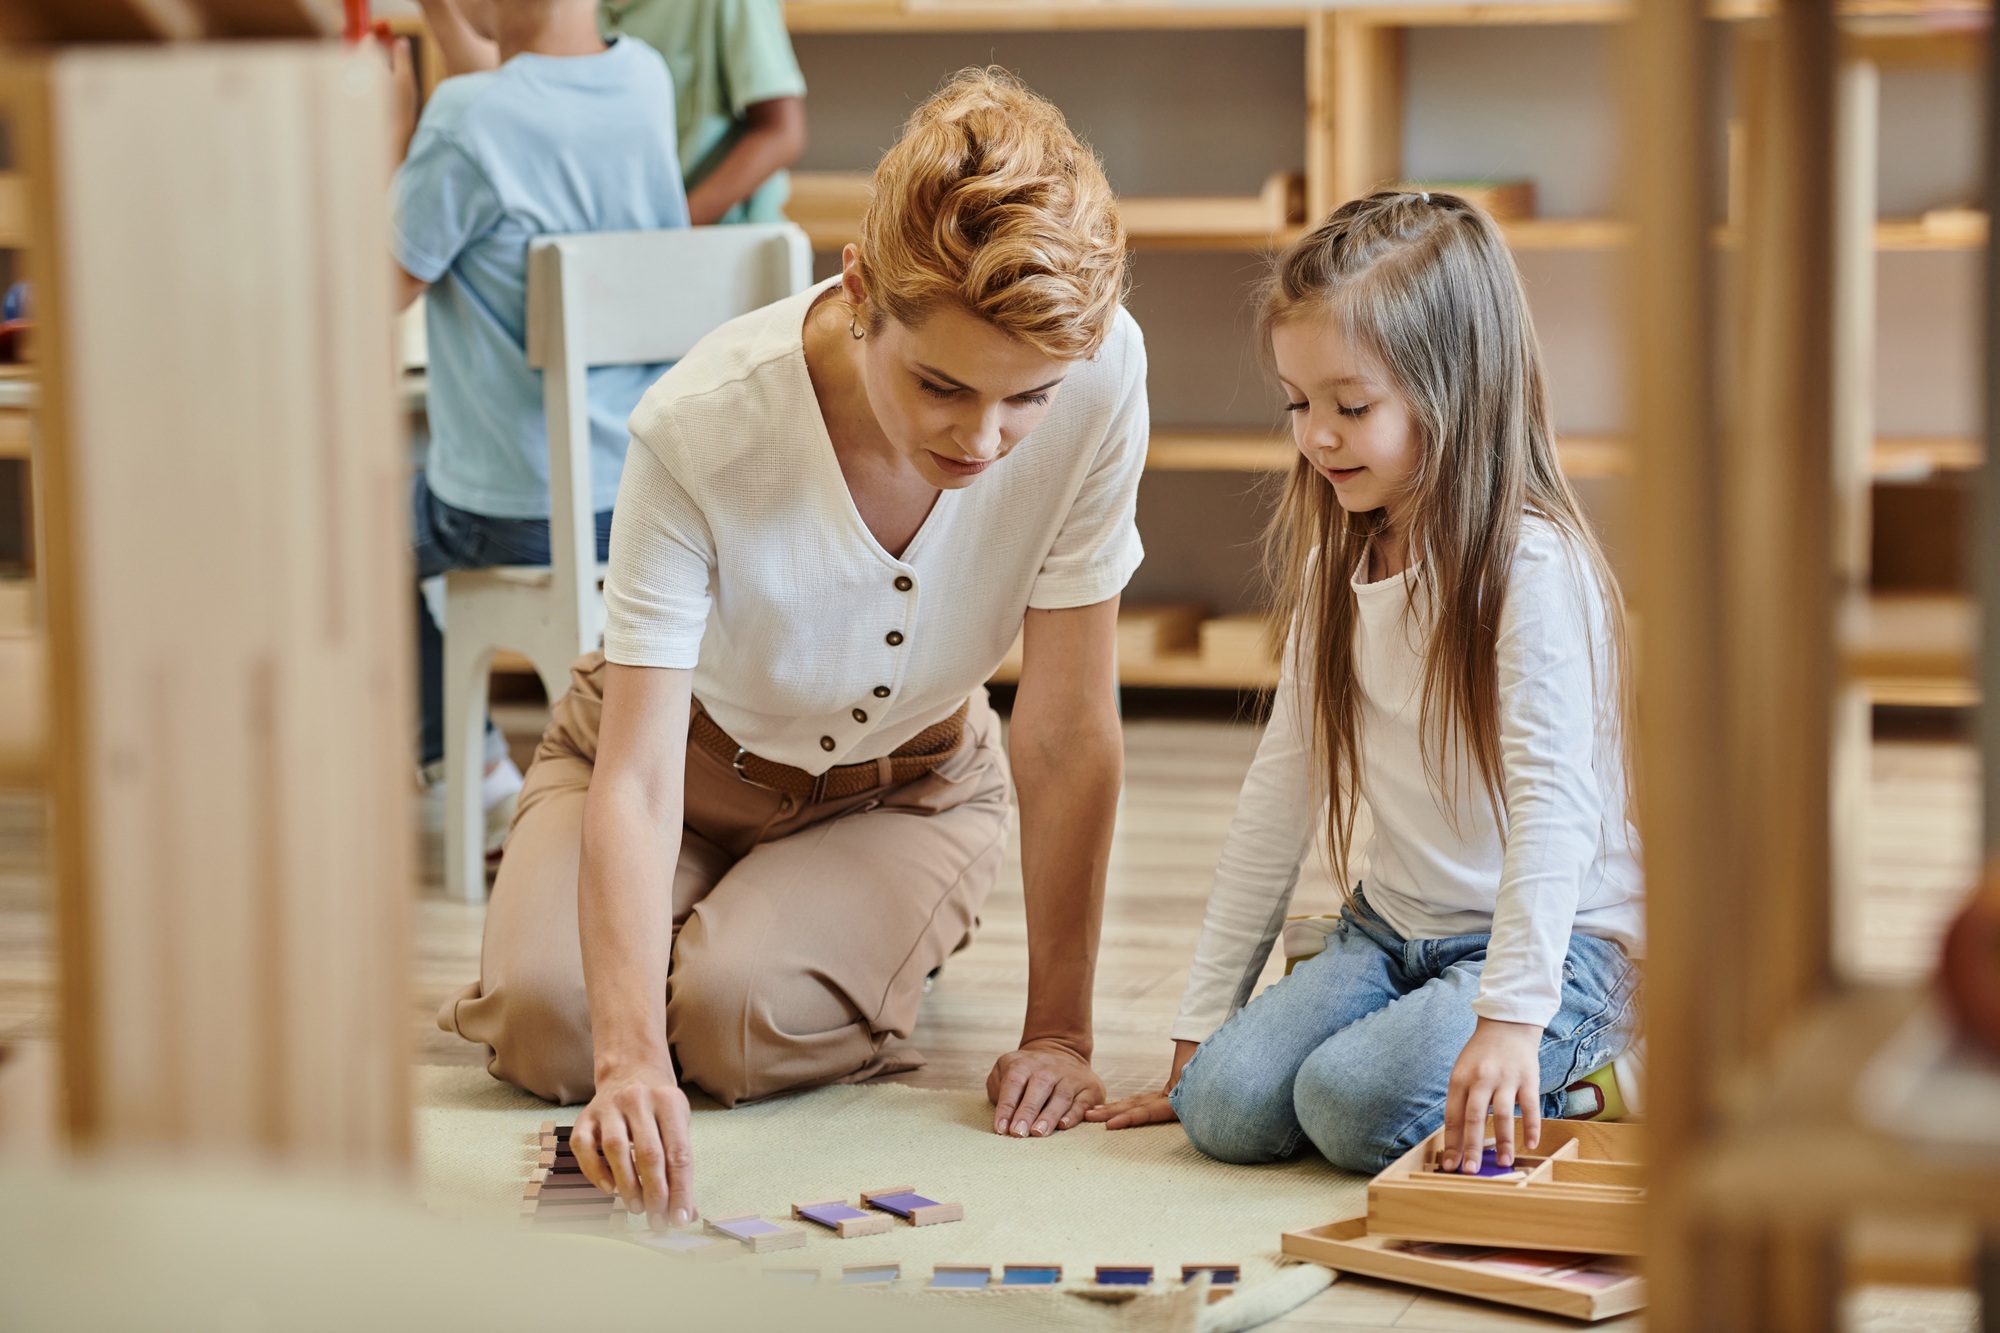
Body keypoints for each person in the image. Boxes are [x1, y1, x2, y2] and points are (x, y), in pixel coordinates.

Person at [437, 69, 1144, 1230]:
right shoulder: (701, 423)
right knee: (550, 1026)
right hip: (666, 754)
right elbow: (640, 771)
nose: (984, 437)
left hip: (899, 794)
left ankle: (803, 931)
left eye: (1027, 401)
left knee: (726, 1015)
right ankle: (718, 933)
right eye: (941, 384)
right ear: (861, 293)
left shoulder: (1105, 372)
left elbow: (1064, 729)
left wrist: (1059, 1032)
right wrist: (624, 1063)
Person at [1086, 192, 1644, 1175]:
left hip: (1554, 951)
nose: (1316, 438)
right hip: (1391, 928)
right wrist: (1197, 1025)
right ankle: (1384, 1032)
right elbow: (1278, 792)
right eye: (1297, 405)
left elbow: (1555, 804)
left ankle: (1593, 1065)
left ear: (1455, 390)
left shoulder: (1531, 569)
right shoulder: (1338, 567)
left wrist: (1511, 1019)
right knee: (1219, 1104)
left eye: (1351, 407)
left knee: (1347, 1108)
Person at [392, 0, 690, 847]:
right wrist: (457, 35)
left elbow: (377, 280)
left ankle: (475, 771)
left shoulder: (462, 119)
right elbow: (517, 119)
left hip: (514, 510)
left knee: (351, 534)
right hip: (643, 493)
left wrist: (388, 135)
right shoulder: (644, 81)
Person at [420, 0, 807, 226]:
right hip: (614, 249)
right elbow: (513, 91)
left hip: (718, 240)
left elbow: (782, 131)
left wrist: (669, 232)